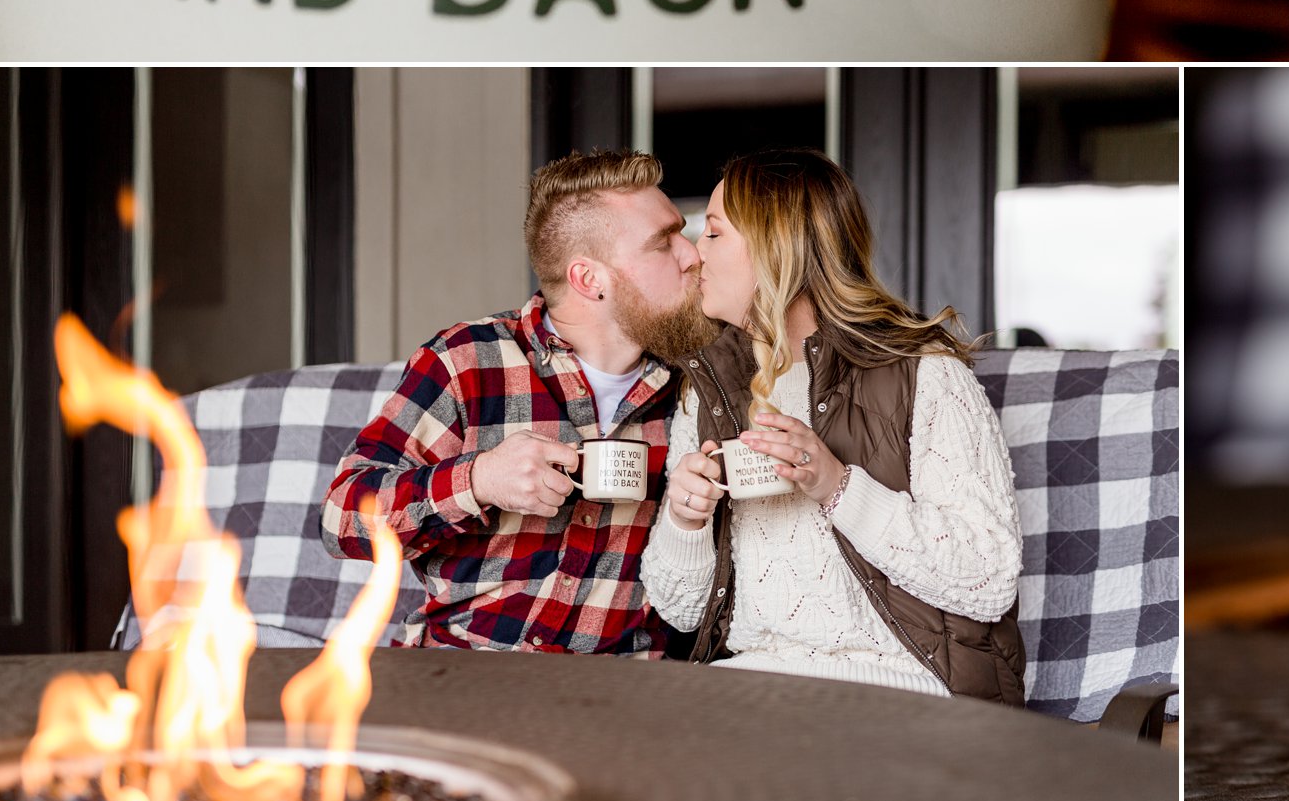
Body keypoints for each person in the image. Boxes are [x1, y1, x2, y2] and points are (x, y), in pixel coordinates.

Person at [643, 149, 1026, 702]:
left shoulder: (928, 378)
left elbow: (986, 580)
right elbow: (680, 611)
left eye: (715, 234)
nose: (694, 256)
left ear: (780, 247)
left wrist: (835, 486)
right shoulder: (710, 388)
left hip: (904, 689)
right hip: (754, 689)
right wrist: (686, 520)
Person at [325, 148, 710, 650]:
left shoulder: (698, 387)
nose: (692, 254)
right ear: (589, 279)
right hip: (463, 675)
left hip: (621, 696)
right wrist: (480, 479)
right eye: (664, 243)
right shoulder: (468, 361)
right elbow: (341, 518)